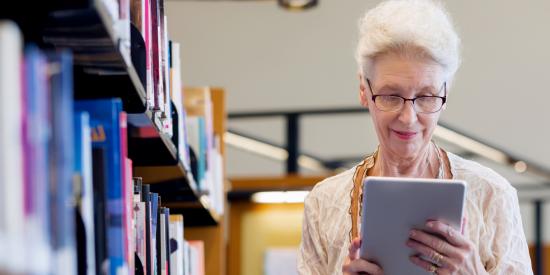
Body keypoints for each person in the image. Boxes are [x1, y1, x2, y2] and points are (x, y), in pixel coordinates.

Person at [297, 0, 533, 274]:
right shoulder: (324, 204)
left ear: (445, 94)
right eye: (391, 95)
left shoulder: (492, 196)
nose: (408, 117)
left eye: (426, 96)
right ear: (363, 89)